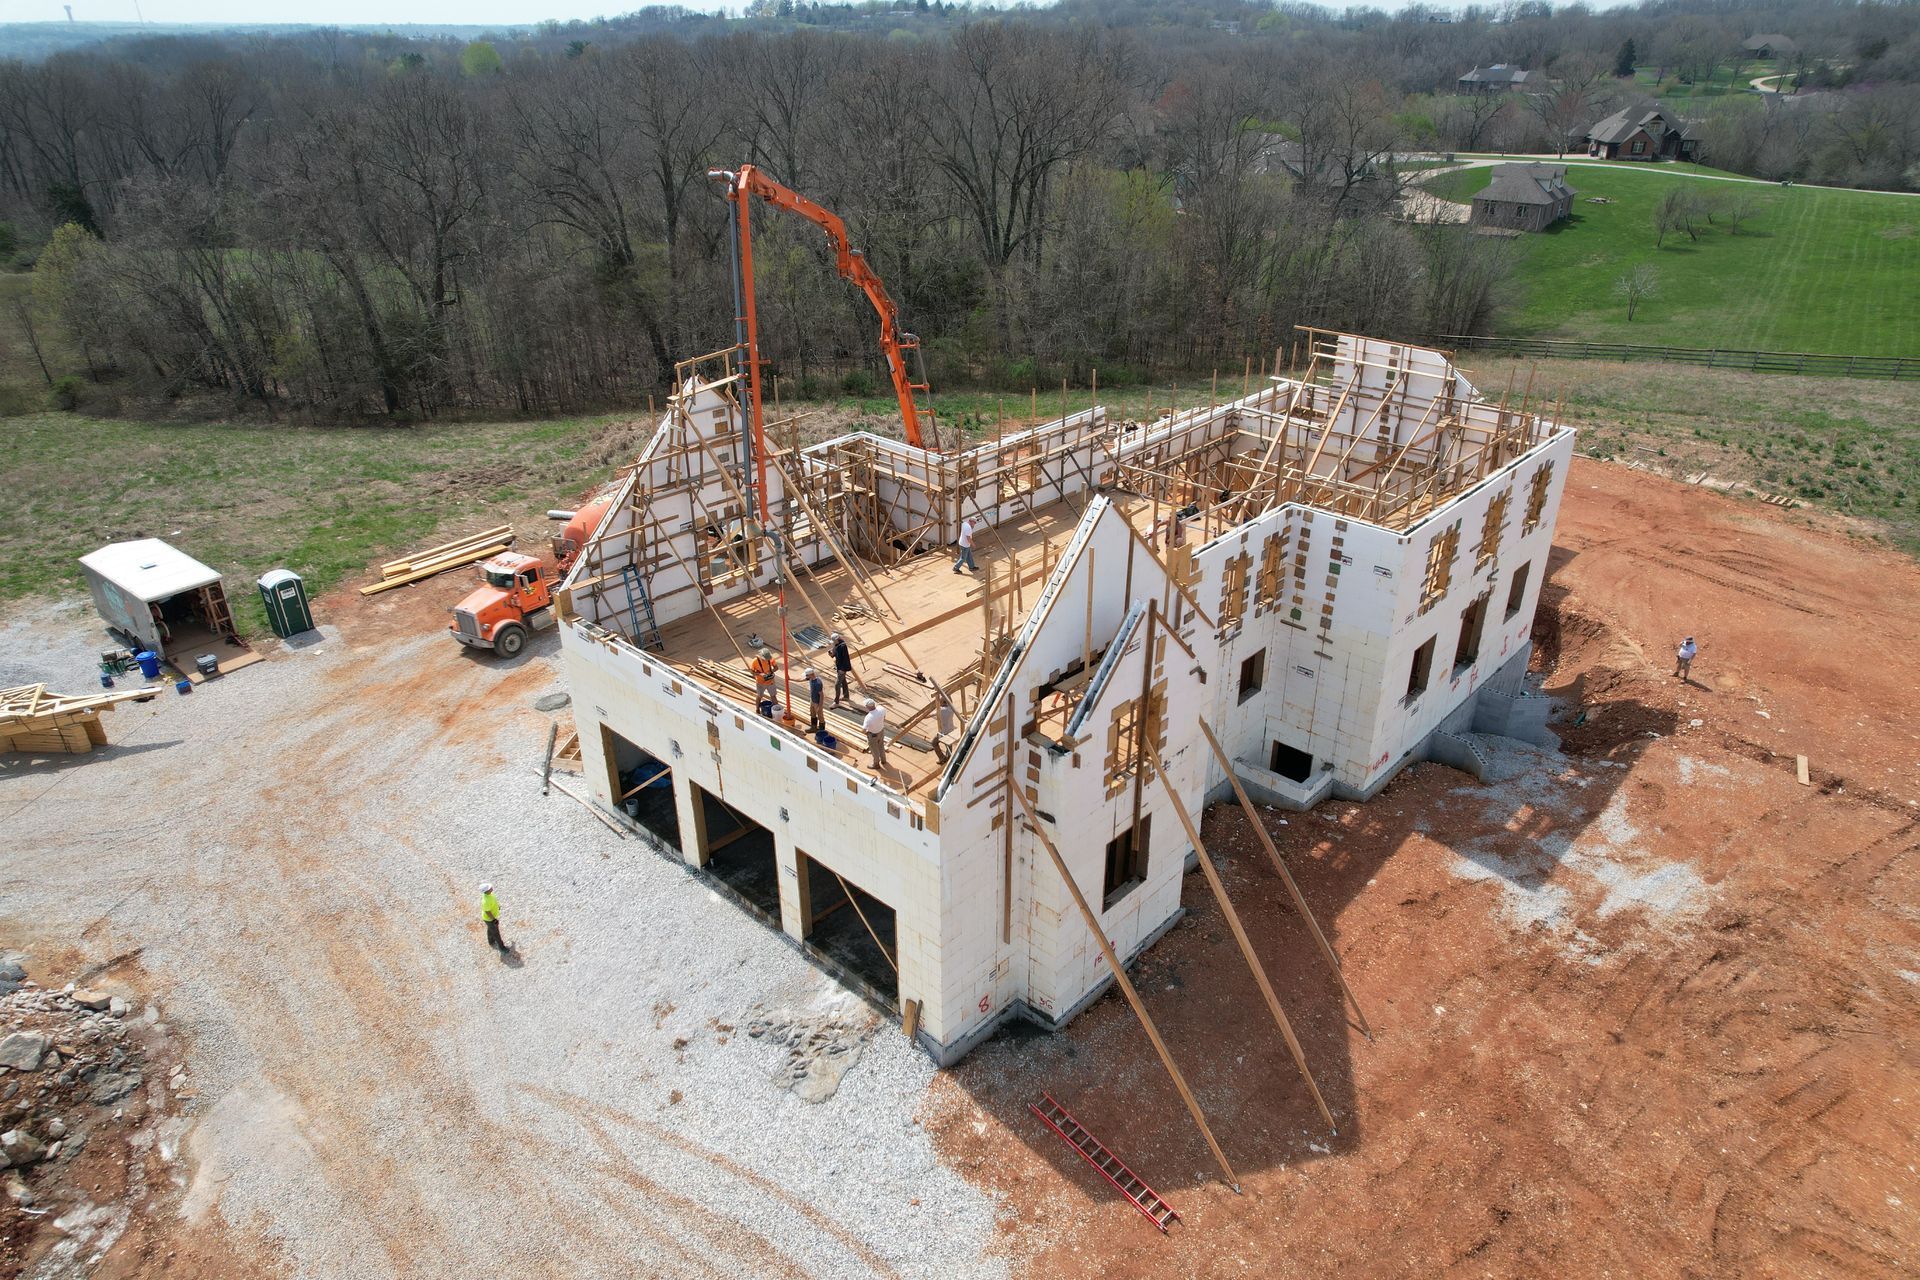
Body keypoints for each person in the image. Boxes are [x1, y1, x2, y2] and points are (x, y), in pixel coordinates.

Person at [480, 882, 509, 952]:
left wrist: (497, 906)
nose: (491, 887)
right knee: (496, 933)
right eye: (489, 888)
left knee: (490, 929)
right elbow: (487, 911)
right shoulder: (485, 901)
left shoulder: (490, 895)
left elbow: (494, 902)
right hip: (489, 919)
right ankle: (502, 948)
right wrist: (493, 920)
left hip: (490, 918)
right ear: (486, 891)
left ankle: (491, 941)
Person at [749, 645, 778, 713]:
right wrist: (760, 674)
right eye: (766, 659)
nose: (767, 660)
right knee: (759, 696)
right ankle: (757, 709)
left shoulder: (771, 659)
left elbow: (776, 667)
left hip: (770, 681)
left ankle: (776, 710)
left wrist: (771, 672)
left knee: (773, 696)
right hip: (760, 682)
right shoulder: (755, 661)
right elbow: (751, 672)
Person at [862, 698, 888, 770]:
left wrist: (866, 732)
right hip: (881, 731)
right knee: (881, 745)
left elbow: (863, 730)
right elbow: (884, 717)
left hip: (873, 735)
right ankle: (883, 760)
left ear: (867, 707)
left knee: (874, 750)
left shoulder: (868, 717)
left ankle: (876, 764)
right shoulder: (881, 709)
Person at [932, 688, 958, 762]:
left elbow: (930, 715)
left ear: (943, 702)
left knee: (934, 743)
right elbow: (950, 700)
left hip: (943, 732)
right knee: (948, 746)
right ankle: (948, 758)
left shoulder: (941, 711)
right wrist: (944, 692)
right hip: (950, 730)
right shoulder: (951, 708)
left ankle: (942, 758)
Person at [830, 632, 853, 705]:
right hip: (839, 667)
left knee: (837, 685)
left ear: (837, 639)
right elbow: (833, 655)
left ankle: (836, 701)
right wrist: (832, 651)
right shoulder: (837, 645)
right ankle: (846, 696)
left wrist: (842, 669)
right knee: (843, 681)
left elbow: (845, 659)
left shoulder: (842, 646)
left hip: (842, 668)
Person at [805, 667, 827, 737]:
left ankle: (821, 732)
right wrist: (791, 679)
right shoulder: (810, 679)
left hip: (817, 702)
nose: (806, 677)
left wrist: (820, 707)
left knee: (820, 717)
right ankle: (813, 727)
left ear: (811, 675)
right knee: (812, 714)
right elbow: (802, 679)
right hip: (812, 700)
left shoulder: (818, 683)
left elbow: (821, 695)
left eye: (807, 675)